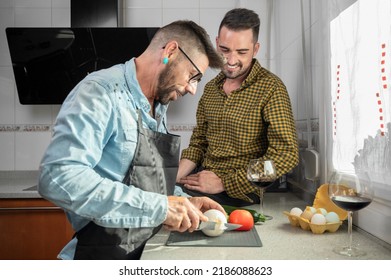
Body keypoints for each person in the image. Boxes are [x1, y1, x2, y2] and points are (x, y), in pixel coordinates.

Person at [38, 20, 225, 260]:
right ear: (170, 51)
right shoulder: (100, 92)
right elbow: (57, 176)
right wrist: (161, 208)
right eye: (193, 76)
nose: (192, 90)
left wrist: (185, 202)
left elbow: (147, 184)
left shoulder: (157, 105)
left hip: (142, 252)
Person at [177, 8, 299, 207]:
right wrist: (173, 178)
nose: (231, 61)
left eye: (242, 52)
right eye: (224, 50)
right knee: (164, 199)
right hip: (201, 179)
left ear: (255, 49)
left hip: (240, 192)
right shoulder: (210, 89)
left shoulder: (271, 88)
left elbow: (286, 154)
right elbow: (198, 144)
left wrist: (224, 182)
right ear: (216, 43)